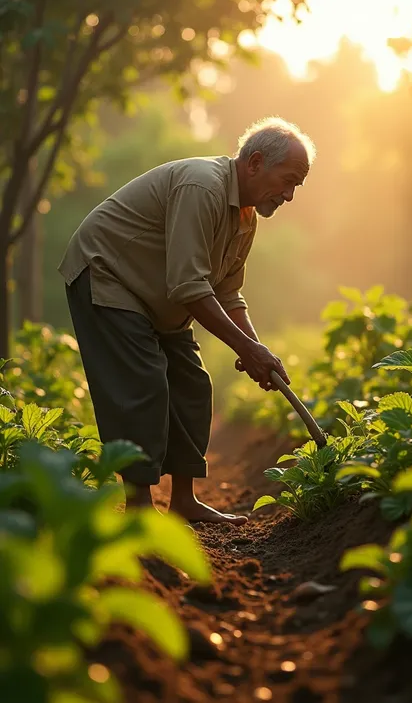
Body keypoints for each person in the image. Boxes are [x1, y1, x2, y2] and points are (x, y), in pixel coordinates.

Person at [58, 116, 316, 524]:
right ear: (254, 163)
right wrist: (246, 349)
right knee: (142, 383)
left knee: (192, 385)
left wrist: (256, 349)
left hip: (155, 292)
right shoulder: (203, 186)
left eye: (295, 186)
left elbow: (228, 291)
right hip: (108, 273)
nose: (288, 194)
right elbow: (188, 286)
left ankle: (183, 501)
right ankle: (140, 506)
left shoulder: (245, 218)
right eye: (286, 180)